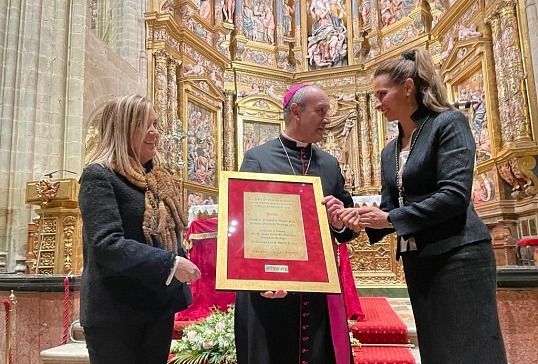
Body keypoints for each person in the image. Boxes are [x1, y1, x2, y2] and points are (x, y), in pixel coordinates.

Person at [337, 48, 507, 364]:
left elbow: (455, 196)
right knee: (437, 352)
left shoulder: (448, 123)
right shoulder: (390, 151)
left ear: (408, 87)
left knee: (472, 350)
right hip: (418, 260)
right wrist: (358, 219)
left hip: (459, 254)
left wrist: (389, 217)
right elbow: (390, 207)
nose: (377, 103)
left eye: (382, 93)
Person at [234, 84, 360, 364]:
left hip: (317, 291)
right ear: (296, 111)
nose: (329, 119)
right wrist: (258, 280)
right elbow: (243, 227)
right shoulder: (257, 159)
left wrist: (339, 221)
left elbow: (347, 226)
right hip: (271, 286)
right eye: (321, 111)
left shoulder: (329, 164)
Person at [78, 94, 201, 364]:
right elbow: (106, 244)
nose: (155, 133)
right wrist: (171, 263)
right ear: (123, 128)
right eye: (146, 125)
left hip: (156, 308)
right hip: (116, 314)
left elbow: (166, 235)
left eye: (156, 124)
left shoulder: (157, 179)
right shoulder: (99, 176)